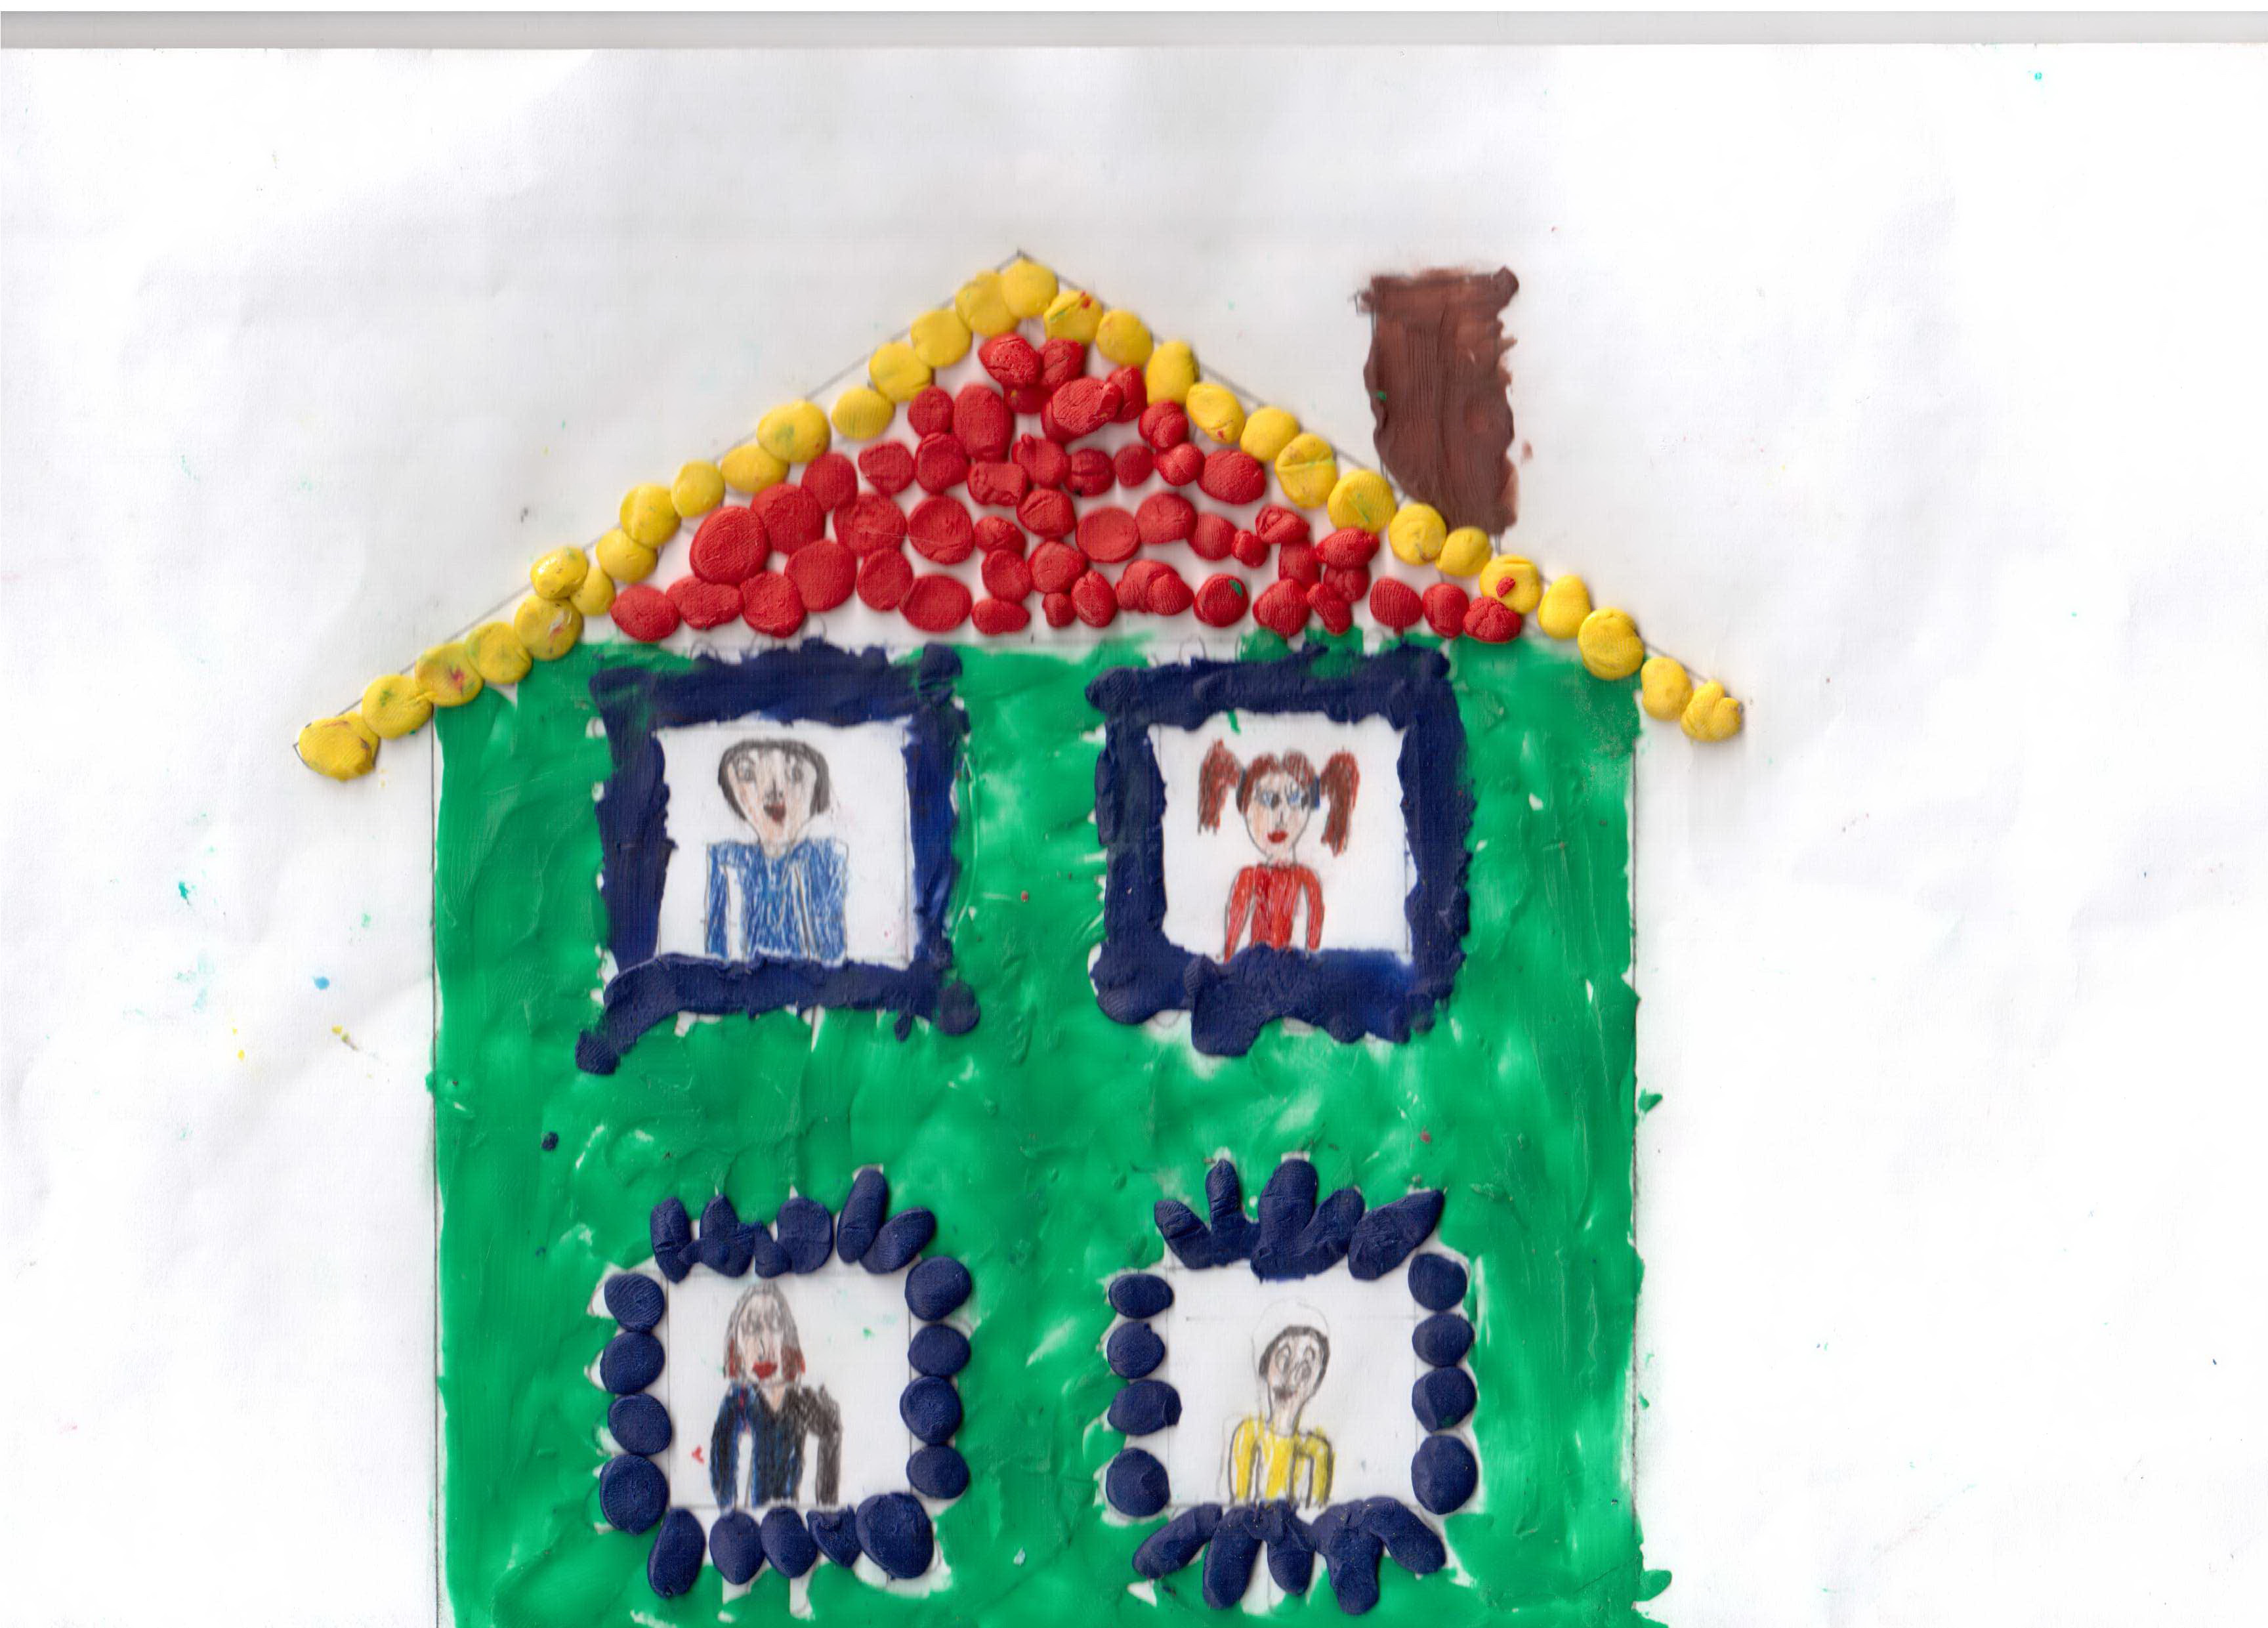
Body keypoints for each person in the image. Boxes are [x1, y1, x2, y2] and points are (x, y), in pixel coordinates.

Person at [1197, 742, 1360, 959]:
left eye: (1295, 800)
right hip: (1254, 966)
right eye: (1267, 800)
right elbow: (1232, 942)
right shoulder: (1248, 878)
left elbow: (1314, 943)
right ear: (1246, 809)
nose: (1281, 816)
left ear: (1308, 807)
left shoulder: (1308, 879)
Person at [705, 738, 848, 964]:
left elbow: (836, 962)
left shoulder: (828, 859)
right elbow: (714, 960)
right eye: (747, 774)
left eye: (795, 773)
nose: (774, 791)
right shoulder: (727, 861)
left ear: (818, 787)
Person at [708, 1282, 842, 1509]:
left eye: (775, 1326)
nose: (763, 1349)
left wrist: (826, 1506)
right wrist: (730, 1513)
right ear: (736, 1347)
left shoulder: (802, 1401)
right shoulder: (738, 1400)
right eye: (751, 1330)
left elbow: (832, 1431)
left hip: (792, 1517)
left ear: (788, 1338)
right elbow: (722, 1478)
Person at [1226, 1324, 1334, 1510]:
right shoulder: (1248, 1432)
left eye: (1305, 1368)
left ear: (1315, 1385)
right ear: (1266, 1366)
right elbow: (1239, 1505)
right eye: (1283, 1360)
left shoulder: (1318, 1449)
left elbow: (1318, 1513)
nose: (1291, 1376)